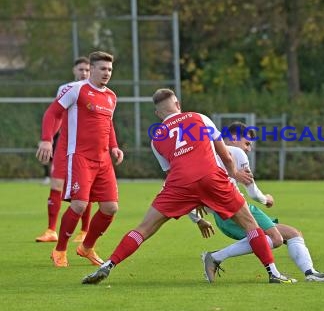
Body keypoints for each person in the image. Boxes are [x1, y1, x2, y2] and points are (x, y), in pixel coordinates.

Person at [81, 89, 296, 285]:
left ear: (158, 114)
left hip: (179, 184)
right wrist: (232, 174)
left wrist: (193, 197)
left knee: (143, 229)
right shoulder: (199, 118)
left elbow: (170, 172)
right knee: (250, 224)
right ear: (178, 104)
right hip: (211, 178)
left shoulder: (156, 138)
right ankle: (273, 273)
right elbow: (226, 155)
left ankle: (108, 265)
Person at [192, 122, 324, 282]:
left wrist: (198, 219)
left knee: (292, 234)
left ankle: (310, 273)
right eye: (247, 143)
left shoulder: (205, 154)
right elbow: (253, 192)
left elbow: (182, 187)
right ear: (234, 137)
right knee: (275, 238)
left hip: (230, 213)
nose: (249, 149)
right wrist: (267, 199)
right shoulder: (236, 153)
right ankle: (215, 257)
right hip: (235, 211)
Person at [36, 51, 124, 267]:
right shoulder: (77, 90)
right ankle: (59, 250)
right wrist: (47, 140)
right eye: (102, 69)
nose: (107, 73)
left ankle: (86, 247)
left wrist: (114, 146)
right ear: (91, 69)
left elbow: (108, 124)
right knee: (79, 205)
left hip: (104, 160)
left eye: (110, 69)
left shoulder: (111, 96)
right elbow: (52, 113)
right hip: (80, 157)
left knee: (110, 208)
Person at [35, 56, 93, 243]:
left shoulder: (96, 90)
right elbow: (57, 115)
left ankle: (85, 231)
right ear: (74, 70)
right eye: (80, 69)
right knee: (56, 184)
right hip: (65, 146)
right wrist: (48, 138)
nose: (83, 73)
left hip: (86, 147)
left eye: (87, 70)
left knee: (85, 189)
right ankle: (51, 230)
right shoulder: (65, 89)